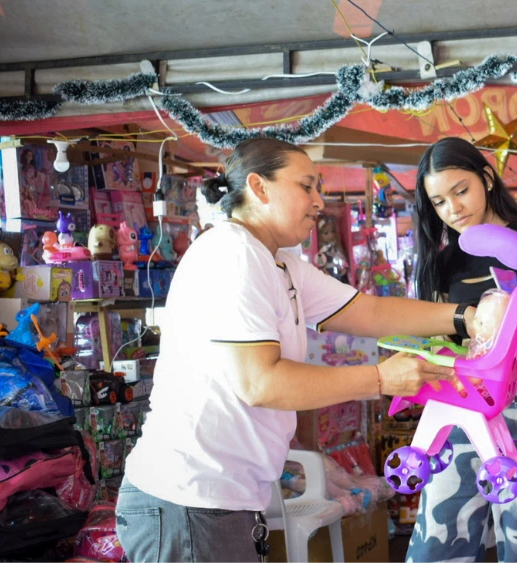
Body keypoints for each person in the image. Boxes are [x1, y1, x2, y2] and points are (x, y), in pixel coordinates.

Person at [116, 138, 479, 563]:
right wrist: (381, 378)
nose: (318, 201)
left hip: (216, 500)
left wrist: (467, 317)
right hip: (189, 499)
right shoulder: (234, 254)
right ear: (259, 187)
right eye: (306, 186)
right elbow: (261, 383)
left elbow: (370, 311)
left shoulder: (278, 262)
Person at [408, 137, 517, 562]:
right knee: (438, 543)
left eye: (461, 191)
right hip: (461, 401)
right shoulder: (442, 261)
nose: (453, 209)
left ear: (487, 179)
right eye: (438, 202)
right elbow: (437, 344)